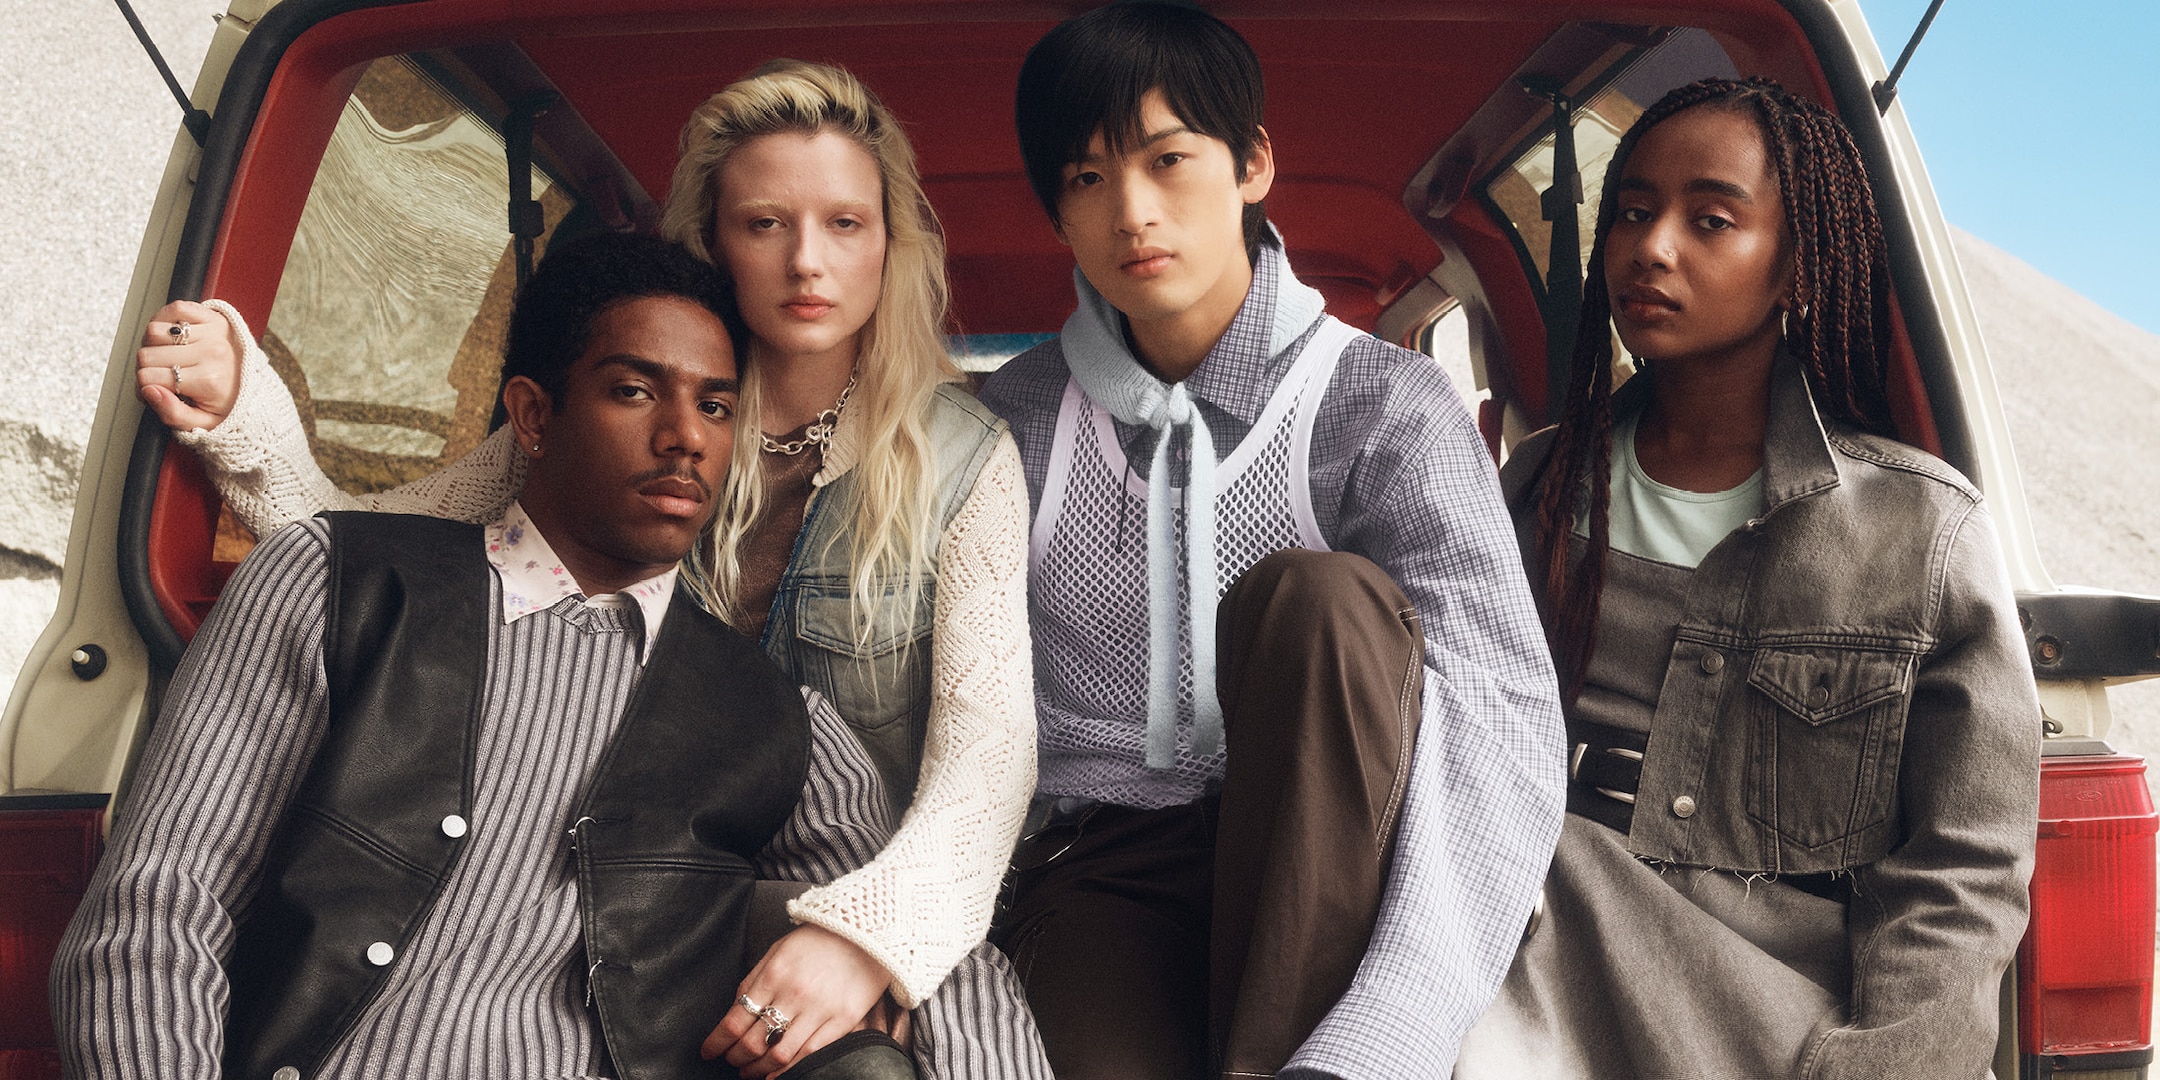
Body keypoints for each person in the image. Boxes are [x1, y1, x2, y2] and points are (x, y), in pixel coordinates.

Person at [131, 61, 1037, 1074]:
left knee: (951, 979)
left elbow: (986, 774)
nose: (807, 265)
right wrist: (246, 421)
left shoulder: (966, 459)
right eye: (766, 224)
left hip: (842, 866)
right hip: (607, 856)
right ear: (713, 242)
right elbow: (386, 559)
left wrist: (869, 937)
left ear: (890, 245)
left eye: (845, 225)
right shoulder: (617, 400)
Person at [977, 5, 1566, 1078]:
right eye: (1086, 179)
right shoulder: (1014, 419)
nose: (1133, 212)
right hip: (1101, 860)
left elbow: (1496, 708)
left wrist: (1397, 1017)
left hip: (1336, 848)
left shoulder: (1386, 405)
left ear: (1252, 163)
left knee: (1318, 598)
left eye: (1168, 160)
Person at [1452, 77, 2039, 1079]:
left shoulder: (1921, 531)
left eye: (1709, 220)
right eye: (1632, 212)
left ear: (1797, 268)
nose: (1653, 247)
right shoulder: (1542, 485)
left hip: (1765, 1015)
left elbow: (1962, 874)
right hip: (1509, 947)